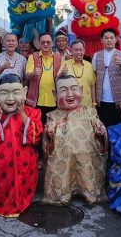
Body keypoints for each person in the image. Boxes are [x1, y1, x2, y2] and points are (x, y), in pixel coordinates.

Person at [0, 73, 43, 217]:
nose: (11, 99)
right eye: (4, 93)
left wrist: (23, 113)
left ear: (24, 92)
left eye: (16, 93)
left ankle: (20, 201)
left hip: (22, 167)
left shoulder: (32, 113)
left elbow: (35, 137)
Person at [42, 71, 106, 205]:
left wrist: (100, 131)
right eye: (63, 90)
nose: (70, 94)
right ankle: (61, 194)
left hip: (86, 158)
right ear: (55, 95)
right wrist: (49, 133)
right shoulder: (53, 116)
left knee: (88, 170)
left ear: (81, 91)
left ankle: (89, 192)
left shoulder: (89, 112)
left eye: (74, 89)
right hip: (62, 161)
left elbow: (97, 124)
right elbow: (49, 132)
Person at [93, 29, 121, 128]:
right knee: (103, 128)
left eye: (111, 38)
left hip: (119, 101)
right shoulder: (96, 56)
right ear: (101, 40)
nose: (109, 40)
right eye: (106, 38)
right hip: (102, 100)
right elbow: (94, 74)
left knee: (119, 128)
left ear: (116, 39)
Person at [25, 32, 61, 121]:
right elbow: (27, 76)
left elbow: (62, 78)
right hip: (36, 100)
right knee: (37, 129)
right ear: (39, 43)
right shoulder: (33, 57)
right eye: (43, 42)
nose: (45, 44)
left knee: (51, 129)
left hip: (54, 100)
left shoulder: (58, 57)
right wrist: (33, 73)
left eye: (48, 42)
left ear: (52, 43)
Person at [63, 39, 97, 108]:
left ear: (84, 51)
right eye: (76, 50)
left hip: (87, 105)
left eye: (80, 50)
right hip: (70, 105)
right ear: (71, 51)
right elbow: (59, 83)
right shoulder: (64, 64)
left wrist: (94, 103)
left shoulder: (89, 65)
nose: (78, 52)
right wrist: (62, 74)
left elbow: (92, 85)